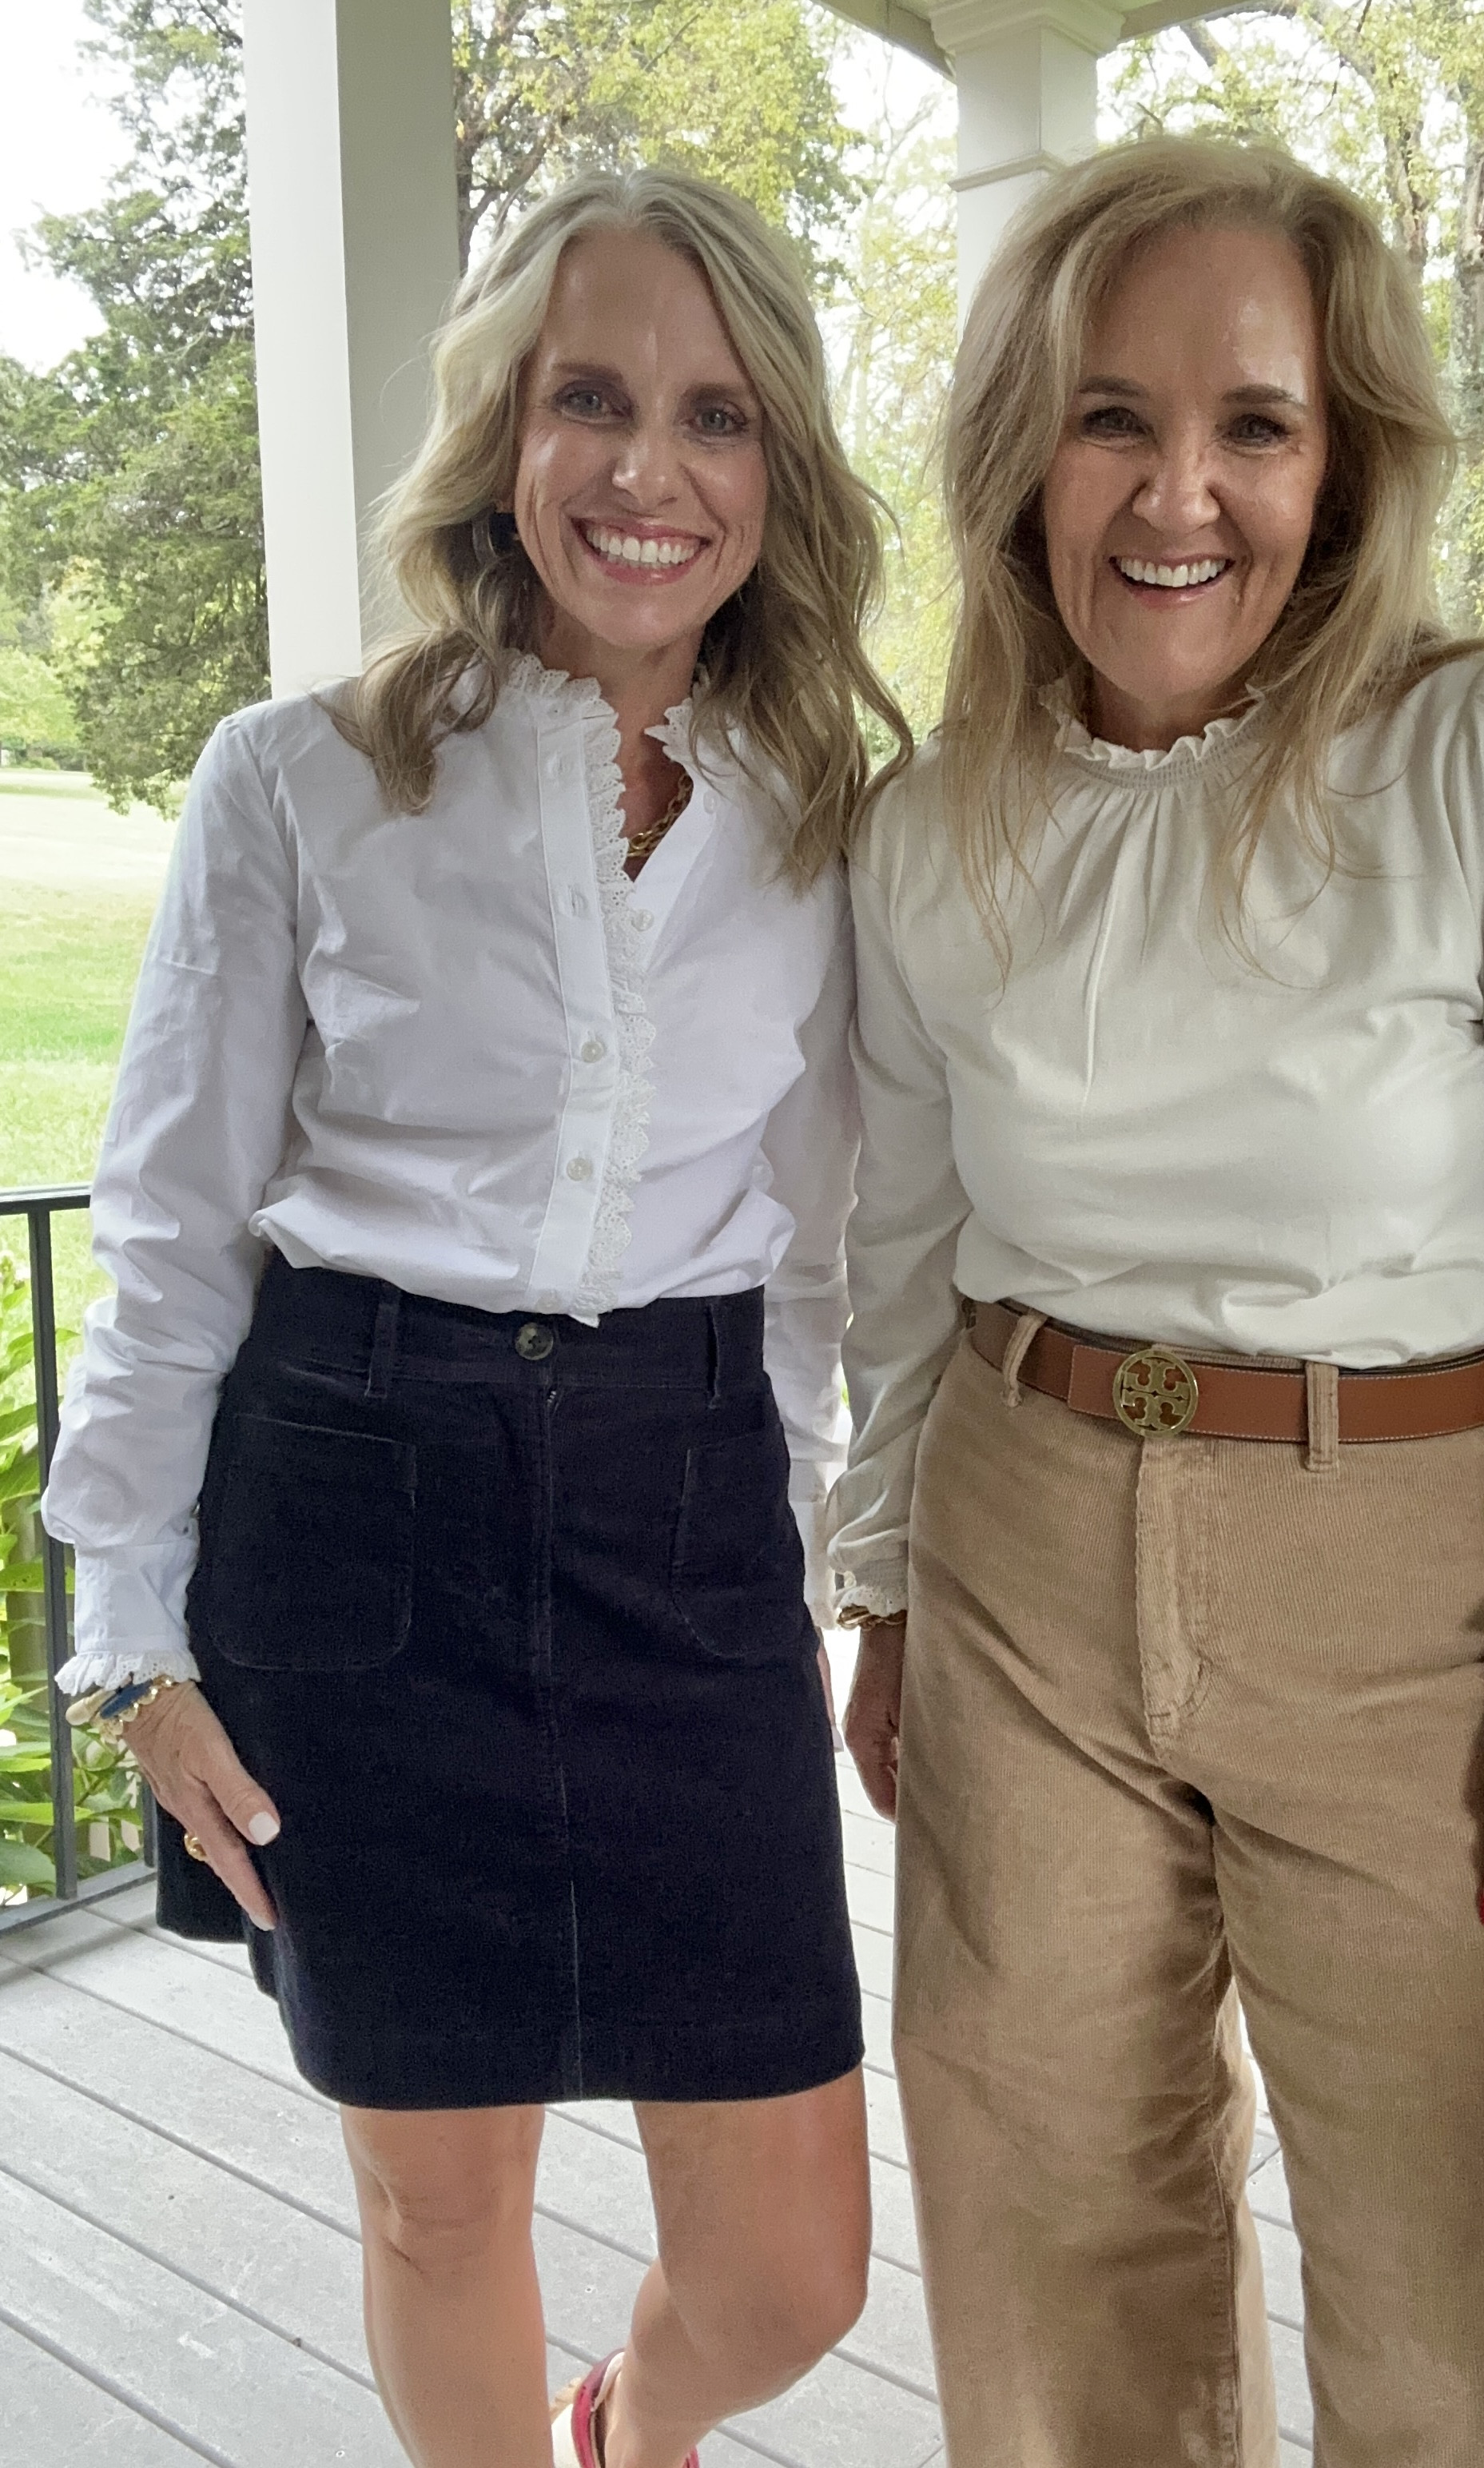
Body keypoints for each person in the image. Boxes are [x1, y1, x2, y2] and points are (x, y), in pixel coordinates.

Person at [831, 137, 1484, 2468]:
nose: (1177, 494)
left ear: (1339, 472)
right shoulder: (936, 830)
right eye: (1113, 415)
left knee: (1451, 2295)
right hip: (1016, 1548)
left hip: (1402, 1573)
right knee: (1049, 2266)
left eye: (1255, 423)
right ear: (1025, 450)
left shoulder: (1479, 753)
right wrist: (890, 1594)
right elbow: (898, 1243)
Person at [43, 165, 907, 2468]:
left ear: (777, 472)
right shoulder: (303, 776)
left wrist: (830, 1560)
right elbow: (174, 1221)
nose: (648, 472)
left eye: (715, 418)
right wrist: (128, 1627)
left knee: (792, 2264)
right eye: (589, 400)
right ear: (499, 438)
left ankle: (622, 2431)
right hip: (355, 1500)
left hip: (689, 1519)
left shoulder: (832, 814)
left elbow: (829, 1251)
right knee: (440, 2200)